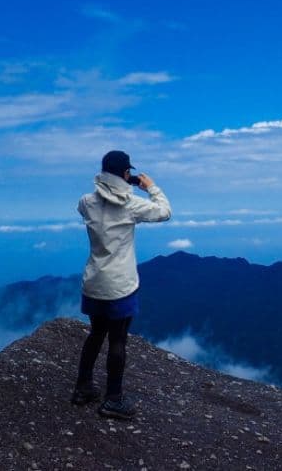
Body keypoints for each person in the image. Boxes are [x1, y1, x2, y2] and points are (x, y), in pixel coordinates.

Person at [71, 150, 172, 419]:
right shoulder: (131, 205)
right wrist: (150, 187)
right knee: (117, 339)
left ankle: (83, 388)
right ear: (126, 174)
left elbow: (88, 204)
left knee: (95, 334)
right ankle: (113, 398)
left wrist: (121, 184)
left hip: (94, 281)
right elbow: (164, 212)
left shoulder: (86, 202)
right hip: (120, 285)